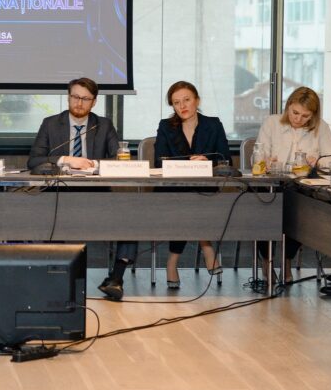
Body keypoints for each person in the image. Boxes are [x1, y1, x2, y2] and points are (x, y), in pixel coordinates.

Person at [27, 77, 134, 302]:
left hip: (96, 195)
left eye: (85, 99)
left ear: (94, 102)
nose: (79, 103)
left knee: (130, 216)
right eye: (75, 97)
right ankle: (56, 277)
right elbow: (34, 160)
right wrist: (66, 159)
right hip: (59, 195)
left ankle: (115, 279)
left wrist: (92, 164)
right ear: (68, 97)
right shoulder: (50, 123)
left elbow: (119, 160)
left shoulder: (103, 125)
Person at [256, 86, 331, 276]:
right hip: (272, 184)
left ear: (313, 115)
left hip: (302, 186)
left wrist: (318, 161)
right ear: (288, 106)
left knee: (301, 210)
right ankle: (267, 260)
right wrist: (265, 161)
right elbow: (258, 156)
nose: (298, 119)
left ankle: (287, 259)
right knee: (263, 206)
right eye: (295, 113)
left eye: (305, 116)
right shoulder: (272, 123)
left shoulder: (321, 127)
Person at [153, 81, 227, 289]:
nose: (182, 106)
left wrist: (207, 161)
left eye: (186, 100)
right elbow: (159, 161)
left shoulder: (213, 124)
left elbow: (225, 159)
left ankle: (172, 261)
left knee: (193, 200)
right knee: (187, 201)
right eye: (176, 102)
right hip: (173, 189)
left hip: (205, 189)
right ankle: (206, 246)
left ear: (197, 101)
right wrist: (188, 165)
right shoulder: (166, 126)